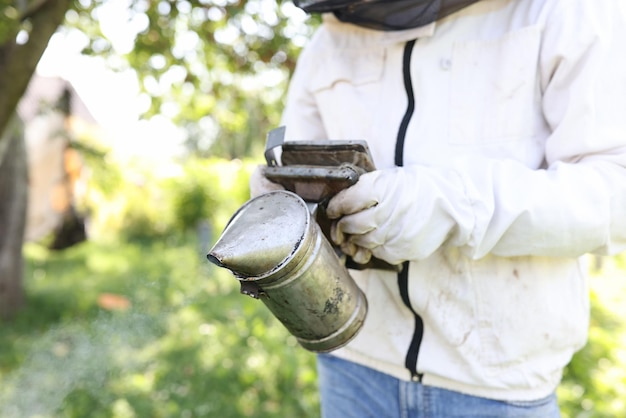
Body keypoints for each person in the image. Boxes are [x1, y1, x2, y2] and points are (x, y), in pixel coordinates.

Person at [250, 1, 626, 416]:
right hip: (351, 362)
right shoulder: (332, 34)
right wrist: (286, 199)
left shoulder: (569, 11)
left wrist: (450, 206)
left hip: (495, 384)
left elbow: (613, 192)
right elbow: (298, 160)